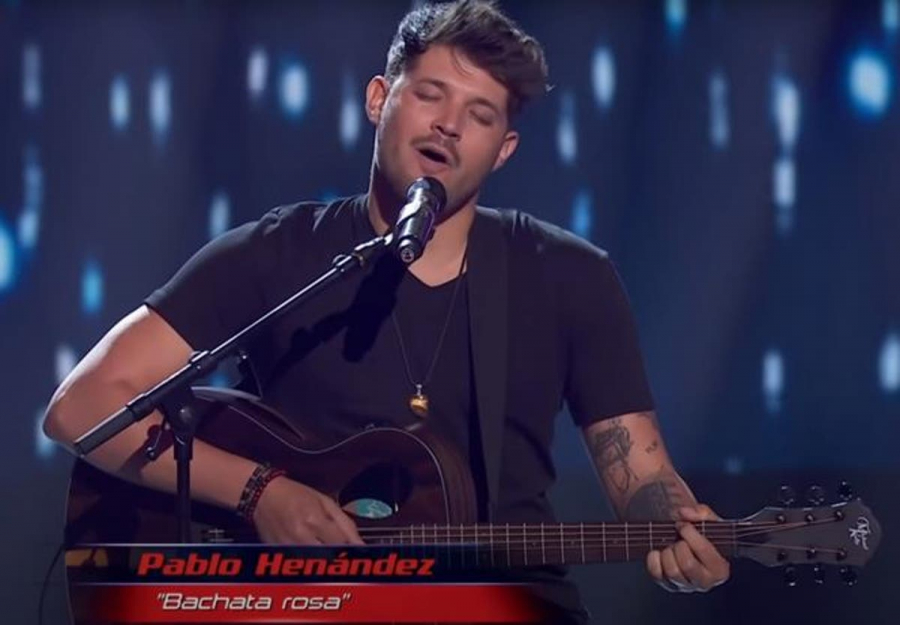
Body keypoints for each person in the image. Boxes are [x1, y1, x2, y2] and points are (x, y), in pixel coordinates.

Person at [43, 1, 730, 622]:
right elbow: (80, 408)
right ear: (379, 99)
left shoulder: (570, 275)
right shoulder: (278, 252)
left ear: (503, 151)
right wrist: (261, 493)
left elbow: (641, 474)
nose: (449, 125)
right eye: (430, 94)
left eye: (480, 115)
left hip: (506, 602)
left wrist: (677, 529)